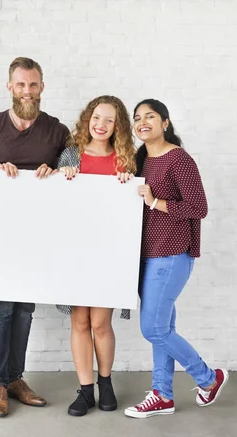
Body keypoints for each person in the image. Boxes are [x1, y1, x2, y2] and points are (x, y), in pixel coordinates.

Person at [0, 56, 70, 417]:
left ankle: (15, 378)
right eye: (20, 84)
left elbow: (74, 171)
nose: (27, 90)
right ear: (9, 86)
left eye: (33, 84)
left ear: (42, 86)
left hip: (38, 235)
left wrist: (59, 170)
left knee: (25, 309)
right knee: (2, 309)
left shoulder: (58, 131)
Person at [124, 99, 229, 418]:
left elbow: (199, 208)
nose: (143, 122)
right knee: (162, 326)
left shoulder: (178, 159)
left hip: (171, 254)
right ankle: (162, 394)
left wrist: (155, 201)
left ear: (165, 123)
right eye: (138, 118)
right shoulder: (140, 161)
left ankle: (209, 378)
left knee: (153, 329)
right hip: (145, 255)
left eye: (150, 116)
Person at [55, 95, 135, 416]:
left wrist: (129, 184)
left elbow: (131, 209)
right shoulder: (71, 155)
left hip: (109, 252)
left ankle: (106, 383)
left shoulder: (123, 160)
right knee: (80, 321)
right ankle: (85, 390)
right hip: (76, 250)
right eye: (96, 118)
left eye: (109, 120)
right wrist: (65, 178)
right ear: (87, 119)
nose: (100, 125)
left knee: (101, 323)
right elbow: (57, 203)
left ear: (118, 127)